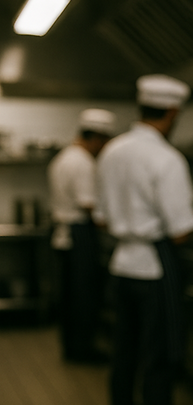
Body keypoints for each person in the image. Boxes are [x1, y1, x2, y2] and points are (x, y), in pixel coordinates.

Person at [97, 74, 193, 405]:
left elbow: (101, 217)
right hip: (153, 269)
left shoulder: (111, 151)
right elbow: (180, 231)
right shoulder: (167, 159)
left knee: (124, 350)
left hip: (121, 264)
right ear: (173, 113)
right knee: (158, 354)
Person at [48, 108, 116, 362]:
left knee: (69, 296)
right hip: (78, 234)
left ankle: (71, 347)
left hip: (63, 234)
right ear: (97, 137)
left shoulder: (63, 157)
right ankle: (82, 350)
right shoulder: (83, 163)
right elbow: (90, 206)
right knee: (84, 296)